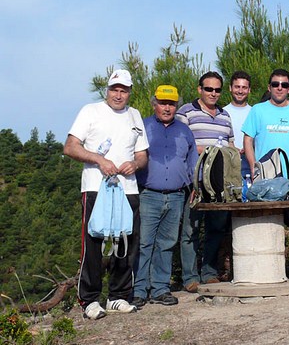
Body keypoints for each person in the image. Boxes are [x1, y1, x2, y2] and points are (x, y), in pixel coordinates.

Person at [63, 69, 149, 319]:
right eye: (114, 89)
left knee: (127, 242)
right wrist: (99, 160)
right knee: (94, 243)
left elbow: (142, 154)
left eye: (123, 90)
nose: (118, 95)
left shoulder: (134, 116)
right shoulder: (90, 111)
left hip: (128, 188)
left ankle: (119, 296)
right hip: (96, 187)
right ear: (107, 90)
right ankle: (89, 300)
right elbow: (70, 147)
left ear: (130, 92)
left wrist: (135, 164)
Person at [242, 69, 289, 278]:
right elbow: (247, 139)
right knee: (262, 223)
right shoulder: (258, 110)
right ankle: (262, 272)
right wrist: (252, 165)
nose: (279, 88)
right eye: (275, 84)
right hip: (264, 181)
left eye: (284, 85)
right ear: (269, 87)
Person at [132, 85, 198, 308]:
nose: (167, 107)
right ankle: (139, 290)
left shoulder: (184, 130)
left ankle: (160, 288)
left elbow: (191, 160)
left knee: (167, 244)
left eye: (171, 103)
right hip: (149, 194)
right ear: (154, 104)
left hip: (178, 196)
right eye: (162, 103)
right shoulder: (143, 126)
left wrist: (195, 185)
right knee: (144, 243)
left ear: (176, 106)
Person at [176, 71, 235, 292]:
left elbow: (229, 145)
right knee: (190, 231)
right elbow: (181, 147)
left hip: (219, 184)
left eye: (217, 89)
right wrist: (210, 151)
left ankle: (209, 272)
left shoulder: (225, 116)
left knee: (216, 230)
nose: (213, 93)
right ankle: (190, 278)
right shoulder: (186, 112)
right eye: (208, 89)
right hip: (194, 183)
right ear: (199, 89)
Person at [223, 70, 252, 179]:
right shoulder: (221, 113)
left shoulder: (255, 113)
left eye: (244, 88)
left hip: (250, 171)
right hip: (227, 171)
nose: (240, 91)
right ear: (230, 88)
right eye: (237, 87)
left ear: (249, 90)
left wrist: (248, 149)